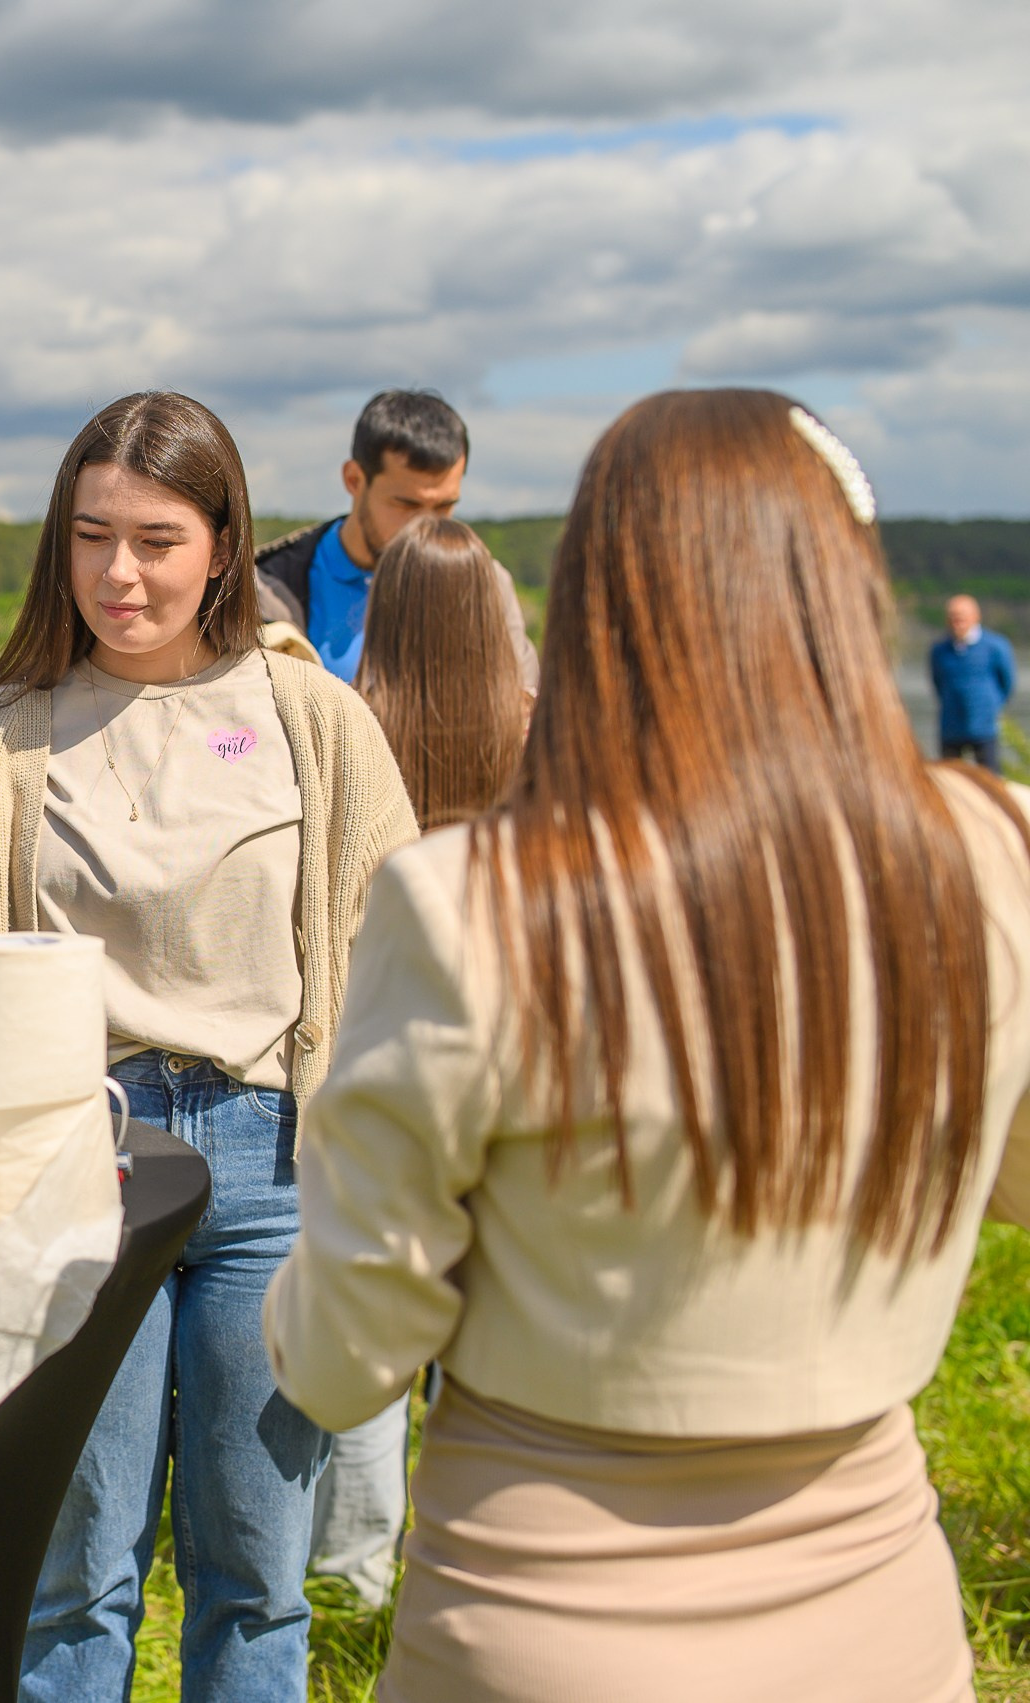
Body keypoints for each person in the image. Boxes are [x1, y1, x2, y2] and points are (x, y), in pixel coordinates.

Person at [264, 390, 1030, 1703]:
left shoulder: (468, 899)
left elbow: (345, 1360)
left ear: (595, 596)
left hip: (537, 1617)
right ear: (848, 580)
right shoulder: (995, 849)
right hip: (878, 1617)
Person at [0, 391, 416, 1700]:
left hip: (273, 1167)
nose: (119, 573)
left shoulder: (311, 718)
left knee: (256, 1567)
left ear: (224, 544)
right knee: (75, 1570)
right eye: (91, 537)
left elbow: (401, 951)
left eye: (157, 539)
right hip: (75, 1171)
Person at [301, 516, 532, 1608]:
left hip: (373, 1033)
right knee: (496, 1314)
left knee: (374, 1302)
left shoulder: (345, 718)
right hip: (513, 1041)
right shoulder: (536, 728)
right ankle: (481, 1559)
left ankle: (352, 1574)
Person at [255, 388, 538, 690]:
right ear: (354, 480)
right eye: (407, 505)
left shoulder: (486, 584)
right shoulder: (267, 588)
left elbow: (522, 704)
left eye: (444, 507)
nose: (426, 526)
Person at [930, 592, 1014, 770]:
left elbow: (1006, 682)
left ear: (976, 616)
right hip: (951, 726)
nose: (957, 621)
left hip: (984, 726)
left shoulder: (995, 646)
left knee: (989, 778)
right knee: (950, 777)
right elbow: (938, 682)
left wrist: (992, 706)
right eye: (953, 617)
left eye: (961, 617)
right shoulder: (939, 650)